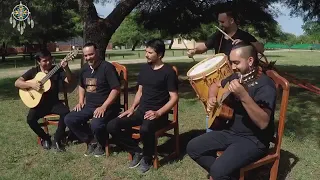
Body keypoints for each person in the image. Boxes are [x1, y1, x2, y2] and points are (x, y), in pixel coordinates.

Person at [186, 42, 277, 180]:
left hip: (253, 140)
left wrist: (243, 96)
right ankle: (228, 173)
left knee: (217, 171)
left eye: (236, 63)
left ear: (250, 61)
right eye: (231, 63)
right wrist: (212, 97)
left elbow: (264, 122)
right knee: (193, 147)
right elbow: (215, 85)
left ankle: (222, 172)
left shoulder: (265, 85)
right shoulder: (237, 76)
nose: (232, 67)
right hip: (231, 131)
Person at [107, 39, 179, 173]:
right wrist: (132, 108)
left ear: (160, 55)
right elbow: (140, 91)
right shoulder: (144, 68)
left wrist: (158, 113)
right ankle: (137, 151)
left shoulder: (168, 72)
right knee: (112, 125)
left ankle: (147, 158)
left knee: (145, 129)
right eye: (146, 51)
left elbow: (174, 97)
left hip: (158, 115)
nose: (146, 55)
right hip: (141, 111)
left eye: (150, 52)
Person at [64, 42, 121, 157]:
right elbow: (81, 85)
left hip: (108, 106)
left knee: (96, 123)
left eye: (91, 54)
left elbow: (116, 89)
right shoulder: (85, 69)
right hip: (89, 106)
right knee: (69, 119)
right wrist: (81, 101)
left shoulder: (107, 68)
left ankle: (101, 144)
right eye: (85, 55)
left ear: (97, 52)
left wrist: (104, 106)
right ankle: (91, 140)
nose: (88, 58)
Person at [15, 49, 73, 151]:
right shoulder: (34, 71)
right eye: (44, 61)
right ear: (39, 62)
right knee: (30, 120)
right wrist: (31, 84)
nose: (48, 63)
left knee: (66, 113)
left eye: (49, 60)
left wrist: (66, 68)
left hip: (54, 103)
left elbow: (69, 80)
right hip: (39, 105)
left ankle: (57, 139)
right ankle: (45, 138)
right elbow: (17, 83)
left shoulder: (57, 69)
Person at [187, 9, 264, 58]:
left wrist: (245, 44)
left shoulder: (244, 36)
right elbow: (203, 47)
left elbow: (261, 49)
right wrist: (194, 51)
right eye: (219, 22)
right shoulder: (217, 36)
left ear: (231, 21)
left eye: (222, 22)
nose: (220, 24)